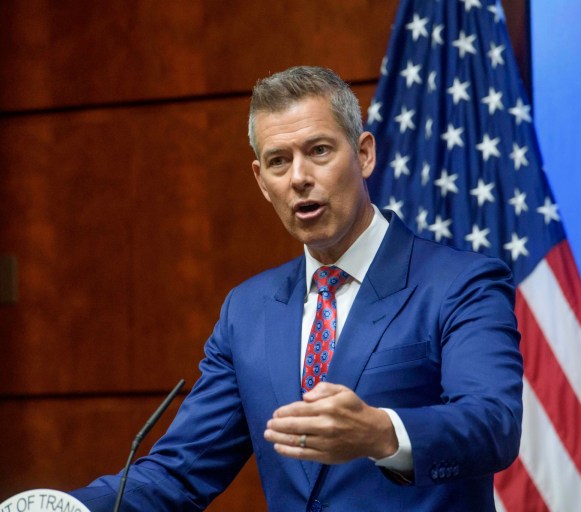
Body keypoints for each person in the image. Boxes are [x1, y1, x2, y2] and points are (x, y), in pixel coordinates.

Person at [68, 66, 523, 511]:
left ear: (364, 154)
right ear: (261, 181)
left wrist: (381, 431)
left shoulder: (461, 283)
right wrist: (57, 507)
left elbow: (493, 424)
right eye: (278, 161)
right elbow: (178, 472)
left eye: (319, 151)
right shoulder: (247, 311)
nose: (298, 177)